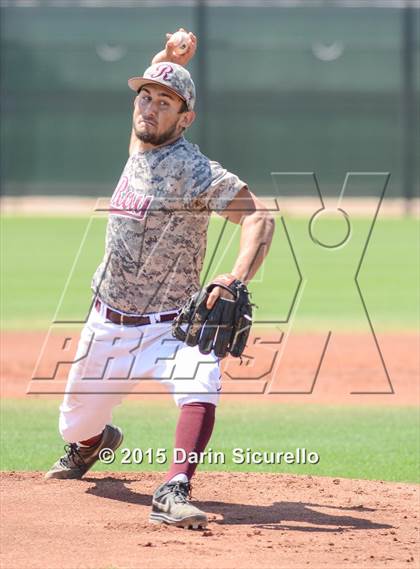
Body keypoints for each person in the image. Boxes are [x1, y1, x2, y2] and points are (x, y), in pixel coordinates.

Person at [45, 29, 275, 529]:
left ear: (185, 118)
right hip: (106, 325)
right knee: (75, 424)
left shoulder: (193, 170)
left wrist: (234, 278)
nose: (149, 107)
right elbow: (151, 96)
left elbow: (259, 217)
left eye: (163, 102)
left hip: (170, 326)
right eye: (144, 97)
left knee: (203, 378)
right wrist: (166, 60)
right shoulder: (138, 147)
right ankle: (95, 442)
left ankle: (175, 486)